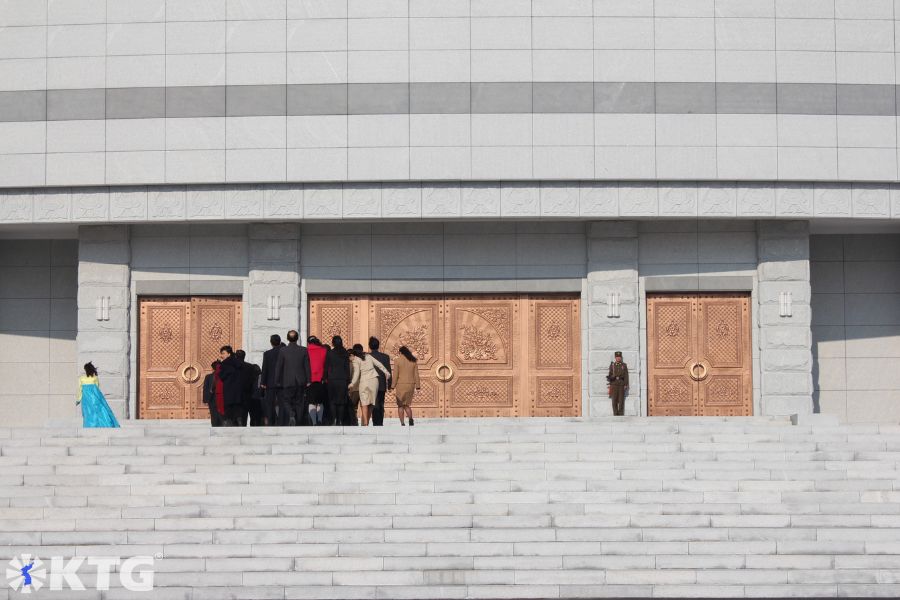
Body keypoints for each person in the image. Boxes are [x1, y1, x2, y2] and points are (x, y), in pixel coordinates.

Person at [274, 330, 311, 426]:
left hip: (287, 380)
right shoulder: (303, 350)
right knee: (299, 402)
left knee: (286, 400)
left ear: (287, 338)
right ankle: (297, 422)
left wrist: (277, 380)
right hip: (300, 380)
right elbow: (307, 366)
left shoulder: (283, 350)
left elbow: (279, 367)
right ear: (297, 338)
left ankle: (291, 414)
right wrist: (308, 380)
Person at [350, 343, 391, 426]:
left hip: (364, 381)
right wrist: (387, 372)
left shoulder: (355, 360)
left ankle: (365, 422)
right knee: (372, 402)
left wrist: (352, 383)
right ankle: (367, 421)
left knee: (364, 403)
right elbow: (379, 364)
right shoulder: (368, 356)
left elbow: (357, 373)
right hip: (374, 380)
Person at [76, 362, 120, 428]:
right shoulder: (95, 378)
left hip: (86, 399)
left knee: (88, 412)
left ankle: (89, 426)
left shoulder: (81, 378)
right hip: (95, 398)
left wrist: (78, 399)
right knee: (100, 411)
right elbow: (97, 388)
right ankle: (103, 424)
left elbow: (80, 390)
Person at [325, 336, 351, 425]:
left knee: (332, 400)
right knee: (341, 402)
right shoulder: (345, 353)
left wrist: (325, 378)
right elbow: (347, 368)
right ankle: (340, 420)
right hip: (343, 379)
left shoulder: (330, 353)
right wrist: (348, 380)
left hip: (332, 379)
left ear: (333, 343)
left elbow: (326, 367)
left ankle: (334, 419)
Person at [393, 346, 420, 426]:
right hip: (410, 385)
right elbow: (416, 375)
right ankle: (410, 419)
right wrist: (418, 386)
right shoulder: (413, 361)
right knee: (407, 405)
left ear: (400, 352)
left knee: (400, 405)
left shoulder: (397, 361)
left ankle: (402, 423)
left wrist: (392, 386)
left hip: (400, 385)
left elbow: (395, 375)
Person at [368, 337, 392, 426]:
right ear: (378, 346)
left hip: (370, 384)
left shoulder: (367, 356)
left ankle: (375, 422)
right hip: (381, 384)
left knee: (373, 404)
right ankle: (380, 423)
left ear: (369, 346)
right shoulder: (385, 357)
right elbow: (388, 371)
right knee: (381, 404)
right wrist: (389, 384)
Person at [259, 334, 282, 426]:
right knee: (282, 403)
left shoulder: (267, 354)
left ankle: (271, 422)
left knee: (270, 404)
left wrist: (263, 383)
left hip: (270, 383)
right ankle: (281, 421)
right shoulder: (283, 352)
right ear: (280, 342)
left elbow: (265, 369)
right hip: (282, 383)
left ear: (271, 343)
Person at [235, 349, 261, 426]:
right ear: (244, 356)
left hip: (235, 394)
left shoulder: (233, 366)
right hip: (247, 393)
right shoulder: (250, 366)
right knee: (245, 412)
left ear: (236, 356)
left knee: (236, 413)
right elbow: (253, 380)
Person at [218, 345, 242, 426]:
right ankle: (239, 423)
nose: (221, 355)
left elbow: (221, 376)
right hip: (238, 391)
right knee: (237, 409)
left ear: (229, 354)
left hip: (228, 390)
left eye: (223, 353)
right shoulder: (238, 363)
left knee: (229, 409)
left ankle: (230, 425)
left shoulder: (224, 364)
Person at [306, 336, 327, 425]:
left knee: (311, 402)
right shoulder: (324, 350)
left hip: (309, 379)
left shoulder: (306, 351)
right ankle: (320, 419)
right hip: (321, 379)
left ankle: (314, 422)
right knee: (320, 402)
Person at [607, 351, 629, 416]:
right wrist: (611, 377)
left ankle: (621, 415)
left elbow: (626, 375)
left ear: (621, 358)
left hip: (621, 384)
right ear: (615, 358)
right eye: (617, 357)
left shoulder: (624, 365)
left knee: (621, 400)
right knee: (614, 401)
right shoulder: (612, 365)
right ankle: (615, 415)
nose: (618, 358)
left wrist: (626, 384)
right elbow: (610, 374)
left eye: (619, 357)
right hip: (614, 384)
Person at [202, 360, 223, 427]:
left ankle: (215, 427)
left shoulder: (209, 376)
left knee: (214, 415)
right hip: (218, 399)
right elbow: (206, 388)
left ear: (212, 368)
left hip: (215, 399)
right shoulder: (209, 376)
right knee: (219, 415)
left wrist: (205, 400)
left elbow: (206, 388)